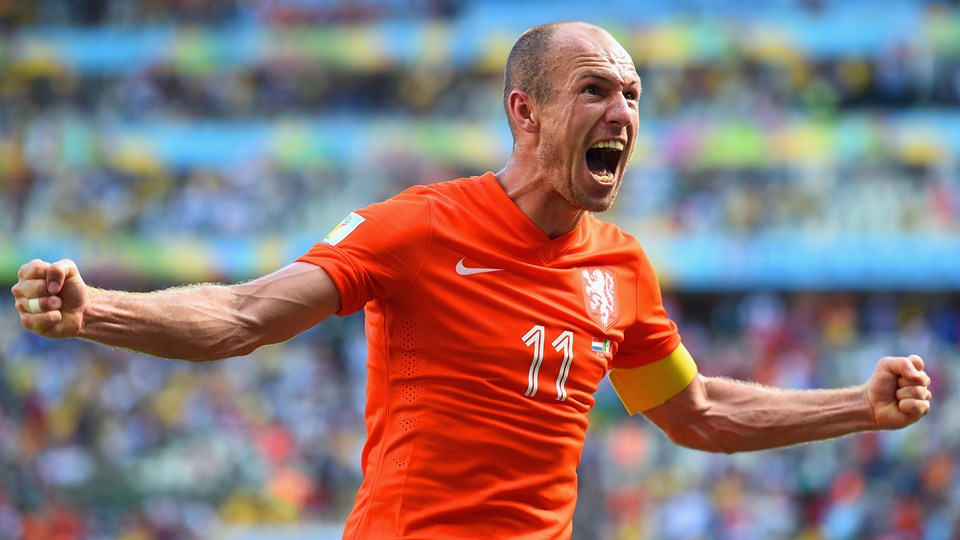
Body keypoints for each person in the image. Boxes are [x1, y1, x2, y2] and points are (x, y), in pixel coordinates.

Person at [11, 21, 932, 540]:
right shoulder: (418, 226)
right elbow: (243, 316)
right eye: (597, 90)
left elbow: (697, 416)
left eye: (634, 96)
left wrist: (859, 404)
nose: (624, 112)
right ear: (524, 114)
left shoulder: (623, 269)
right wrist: (100, 311)